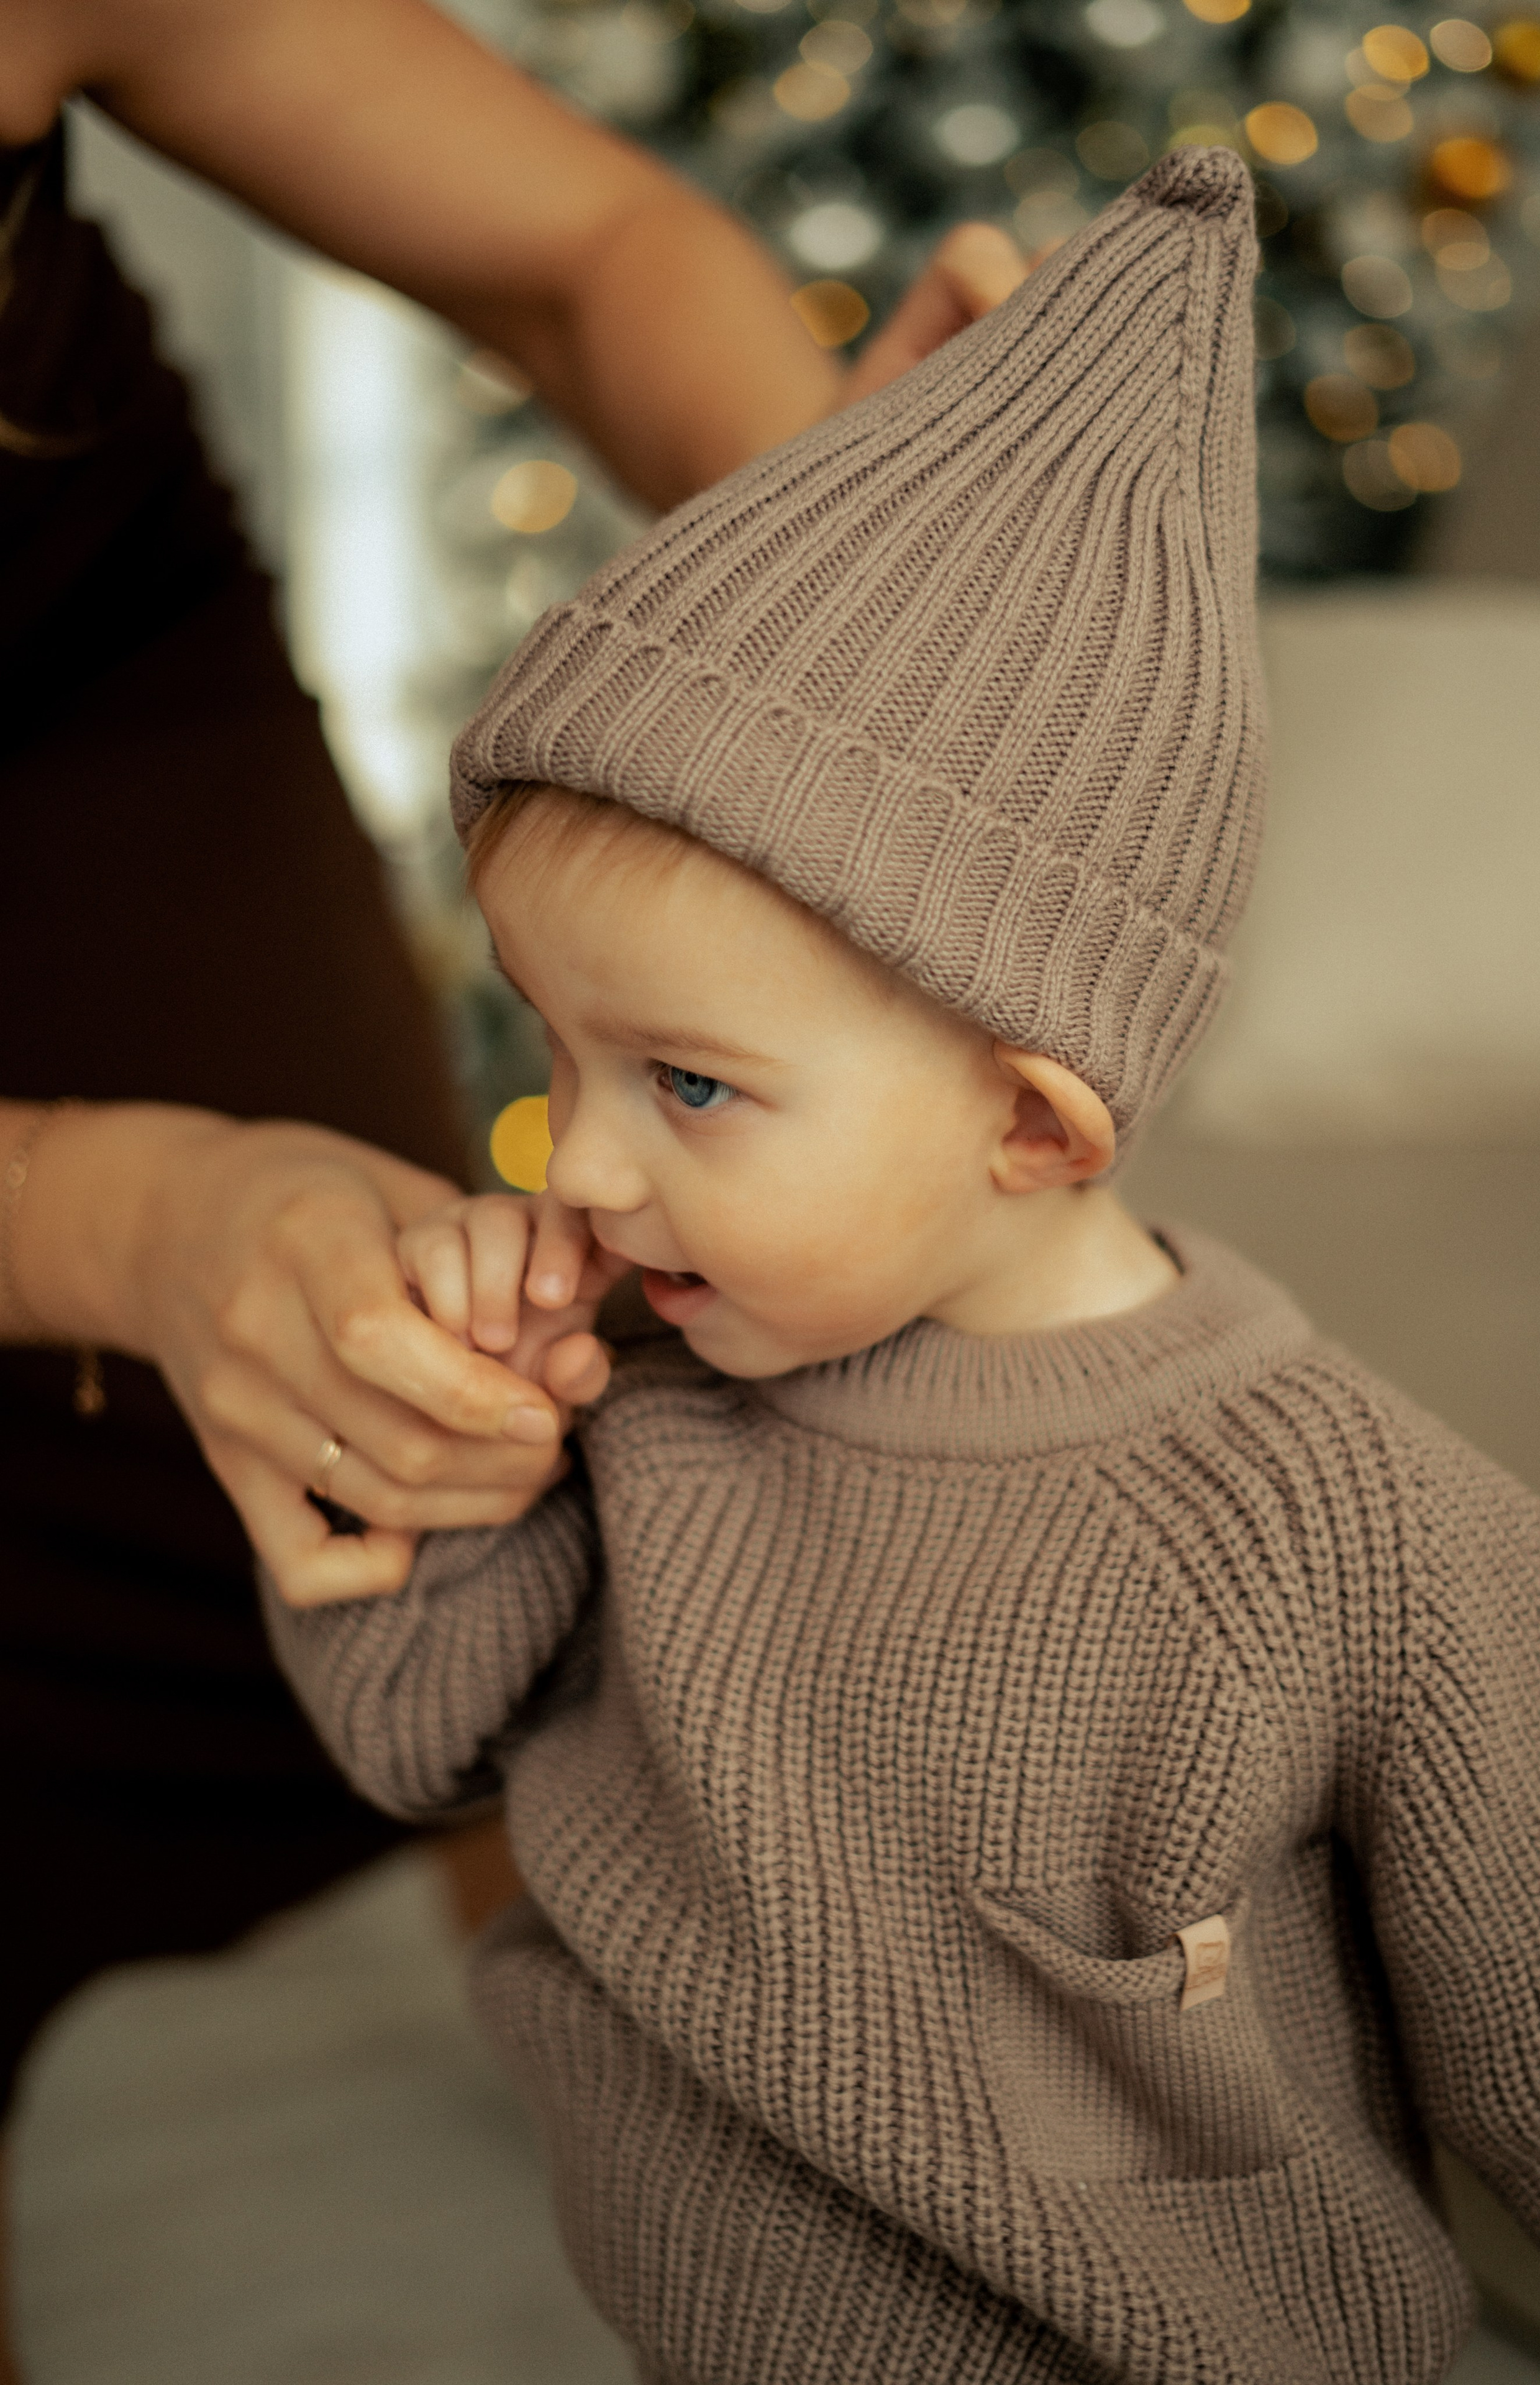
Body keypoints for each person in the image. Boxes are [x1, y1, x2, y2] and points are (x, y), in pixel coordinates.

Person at [264, 148, 1540, 2383]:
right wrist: (453, 1463)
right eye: (549, 1042)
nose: (570, 1156)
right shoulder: (646, 1366)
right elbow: (412, 1737)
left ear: (1029, 1124)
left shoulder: (1348, 1531)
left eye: (685, 1086)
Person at [0, 0, 1027, 2355]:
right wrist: (136, 1218)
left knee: (385, 1431)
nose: (589, 1165)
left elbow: (580, 247)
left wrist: (813, 519)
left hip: (71, 643)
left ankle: (638, 2008)